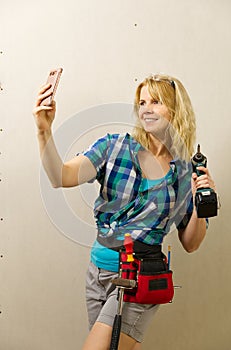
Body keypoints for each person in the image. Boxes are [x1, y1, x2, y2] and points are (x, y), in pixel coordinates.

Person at [33, 73, 216, 350]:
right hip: (98, 275)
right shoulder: (113, 147)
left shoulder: (185, 172)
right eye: (142, 102)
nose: (147, 108)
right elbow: (60, 177)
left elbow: (191, 243)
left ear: (176, 109)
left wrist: (202, 200)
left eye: (156, 102)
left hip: (139, 278)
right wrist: (43, 131)